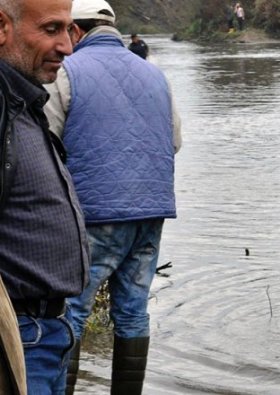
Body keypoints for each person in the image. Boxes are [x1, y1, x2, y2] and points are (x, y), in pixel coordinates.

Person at [43, 0, 182, 393]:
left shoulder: (65, 72)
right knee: (134, 313)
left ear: (75, 31)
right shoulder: (156, 75)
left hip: (93, 215)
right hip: (151, 213)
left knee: (70, 311)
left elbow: (45, 146)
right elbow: (173, 142)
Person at [0, 0, 91, 393]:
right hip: (19, 336)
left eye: (69, 30)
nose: (68, 46)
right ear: (2, 27)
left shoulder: (24, 101)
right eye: (51, 29)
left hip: (49, 330)